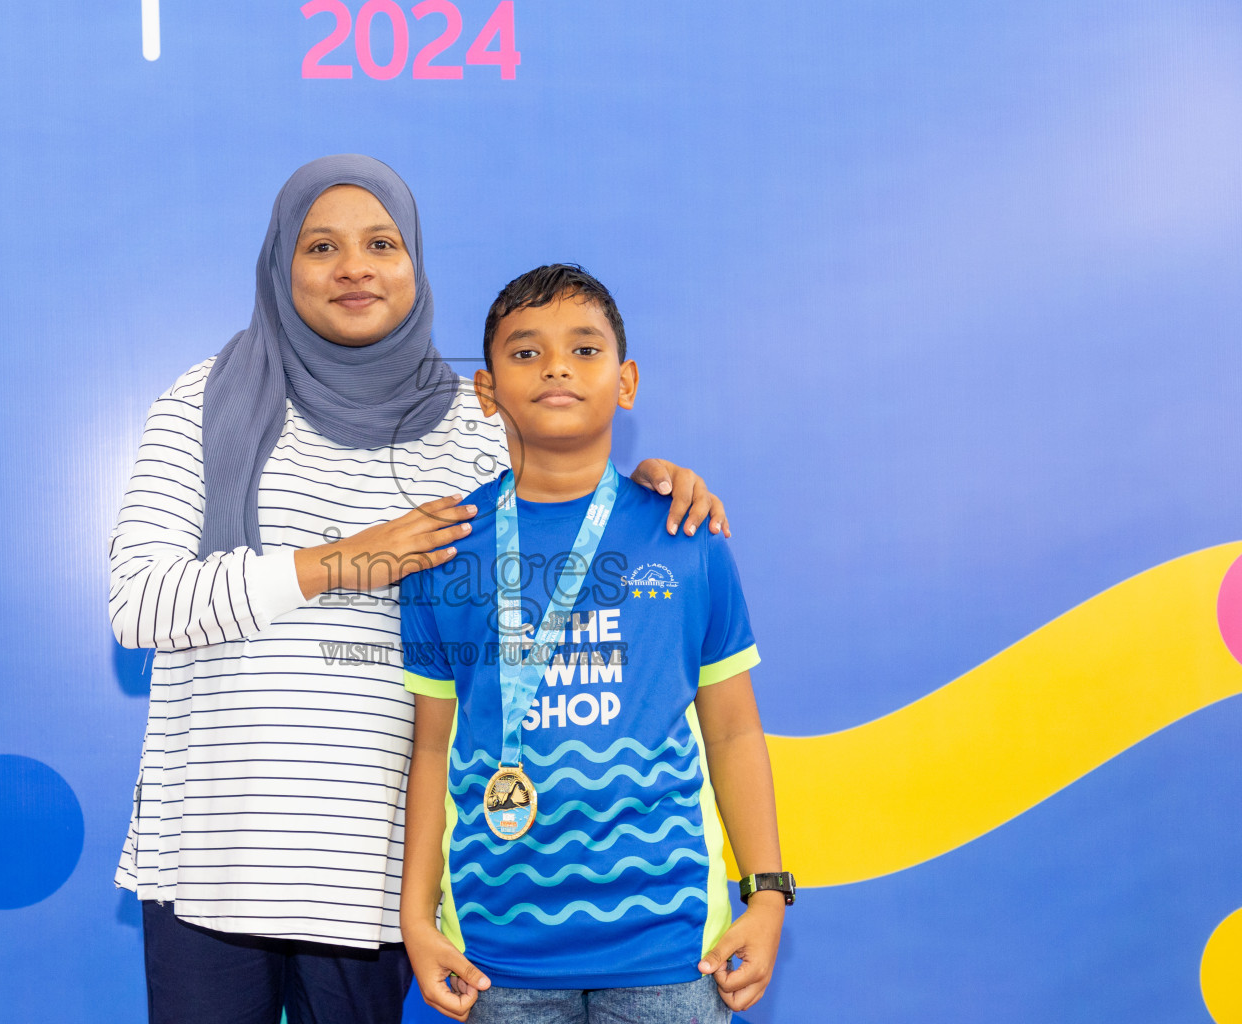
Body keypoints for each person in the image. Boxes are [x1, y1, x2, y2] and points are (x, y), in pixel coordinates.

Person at [108, 157, 734, 1024]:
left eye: (382, 243)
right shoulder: (203, 401)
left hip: (372, 871)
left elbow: (572, 506)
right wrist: (341, 560)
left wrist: (661, 485)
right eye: (321, 246)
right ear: (281, 265)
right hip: (216, 850)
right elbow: (139, 603)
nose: (354, 266)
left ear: (416, 265)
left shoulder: (475, 418)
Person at [399, 265, 789, 1023]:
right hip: (497, 953)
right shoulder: (444, 552)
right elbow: (430, 749)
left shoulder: (687, 535)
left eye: (584, 349)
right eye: (525, 353)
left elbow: (735, 729)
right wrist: (417, 919)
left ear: (626, 381)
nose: (555, 368)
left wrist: (768, 891)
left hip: (672, 948)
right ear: (486, 392)